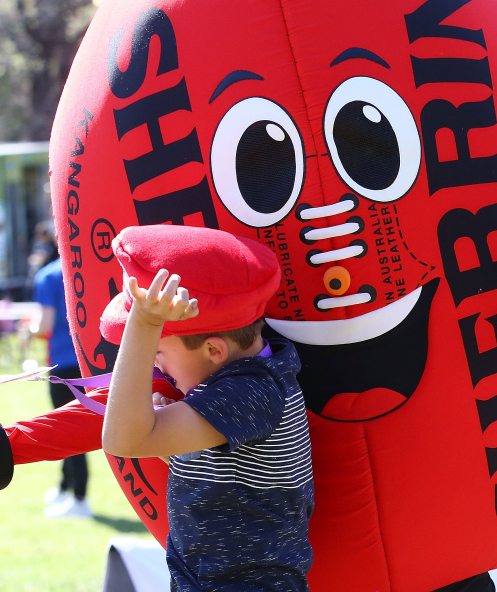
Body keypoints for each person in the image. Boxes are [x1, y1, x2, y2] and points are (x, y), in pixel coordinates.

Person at [101, 224, 314, 591]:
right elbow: (226, 479)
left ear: (214, 351)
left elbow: (122, 440)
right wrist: (170, 436)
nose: (156, 368)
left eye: (158, 353)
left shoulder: (250, 392)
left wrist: (146, 322)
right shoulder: (249, 382)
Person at [32, 255, 92, 519]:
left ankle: (79, 499)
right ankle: (65, 488)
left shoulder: (48, 275)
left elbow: (44, 324)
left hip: (63, 363)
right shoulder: (88, 268)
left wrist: (28, 329)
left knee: (69, 432)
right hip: (92, 363)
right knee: (72, 427)